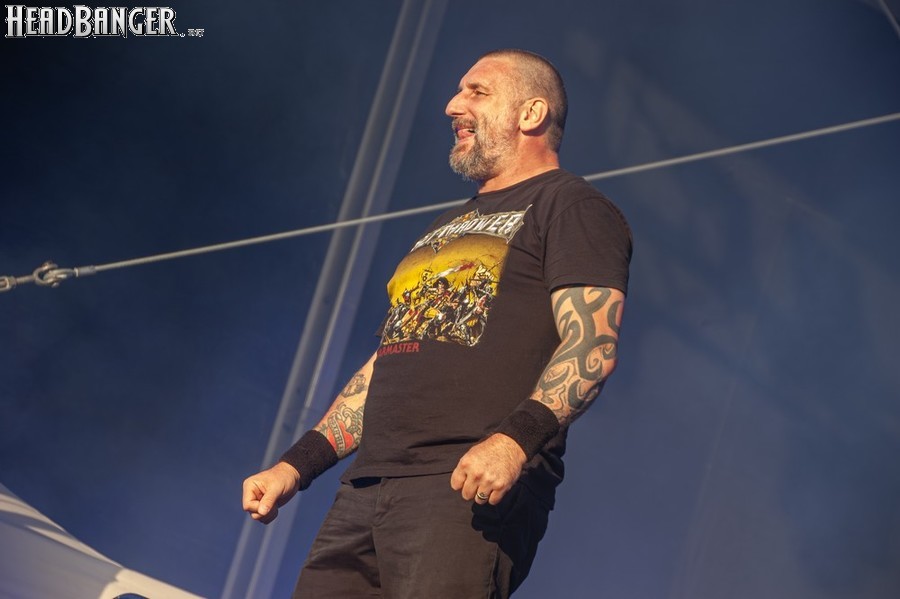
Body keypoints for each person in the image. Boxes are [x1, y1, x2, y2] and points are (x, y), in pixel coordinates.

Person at [242, 48, 633, 598]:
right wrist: (296, 465)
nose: (453, 105)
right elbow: (389, 361)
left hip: (464, 485)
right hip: (367, 487)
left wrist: (512, 443)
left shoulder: (571, 206)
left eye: (477, 91)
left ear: (531, 113)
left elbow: (592, 344)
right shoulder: (444, 227)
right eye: (457, 91)